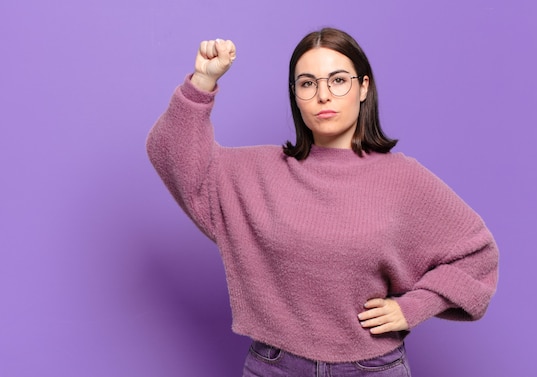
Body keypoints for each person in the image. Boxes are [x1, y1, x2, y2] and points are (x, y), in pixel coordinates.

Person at [147, 27, 498, 377]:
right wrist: (201, 85)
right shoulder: (258, 171)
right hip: (275, 366)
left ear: (363, 87)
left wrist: (415, 306)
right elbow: (173, 157)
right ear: (295, 96)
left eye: (338, 80)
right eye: (307, 83)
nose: (323, 96)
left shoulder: (403, 179)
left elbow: (477, 256)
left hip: (371, 368)